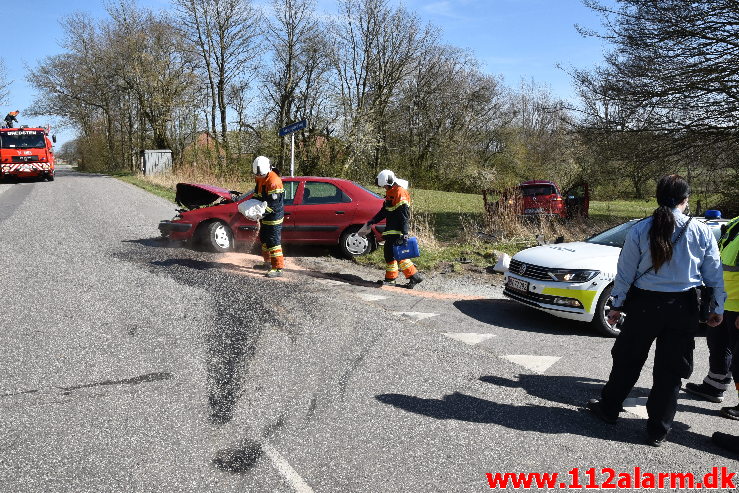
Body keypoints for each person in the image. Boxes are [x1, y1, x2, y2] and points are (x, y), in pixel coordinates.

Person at [586, 174, 726, 447]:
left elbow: (625, 273)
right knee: (671, 371)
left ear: (658, 198)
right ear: (685, 200)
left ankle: (609, 409)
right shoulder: (701, 231)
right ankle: (658, 431)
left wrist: (616, 305)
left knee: (627, 360)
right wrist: (717, 307)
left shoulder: (640, 230)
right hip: (684, 307)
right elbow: (714, 274)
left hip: (644, 306)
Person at [684, 216, 739, 413]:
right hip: (724, 299)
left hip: (737, 304)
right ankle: (714, 386)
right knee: (717, 344)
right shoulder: (735, 223)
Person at [362, 169, 424, 288]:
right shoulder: (391, 191)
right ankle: (414, 276)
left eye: (384, 185)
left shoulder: (400, 192)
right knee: (395, 254)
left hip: (397, 230)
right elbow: (384, 211)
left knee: (391, 254)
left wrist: (405, 232)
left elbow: (404, 214)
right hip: (391, 229)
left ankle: (394, 279)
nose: (384, 188)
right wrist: (373, 220)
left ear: (389, 182)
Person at [251, 156, 285, 278]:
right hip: (264, 214)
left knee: (273, 242)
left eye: (260, 175)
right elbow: (257, 193)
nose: (258, 177)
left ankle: (278, 268)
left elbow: (273, 205)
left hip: (274, 217)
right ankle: (267, 263)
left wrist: (260, 213)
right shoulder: (260, 176)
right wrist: (252, 204)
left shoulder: (274, 182)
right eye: (257, 175)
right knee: (264, 239)